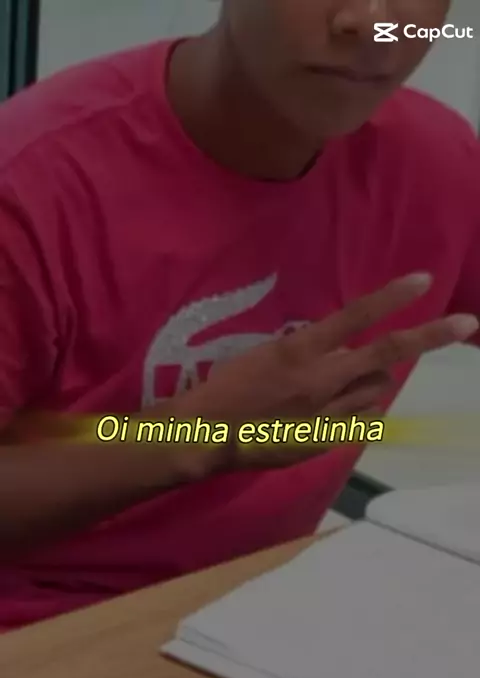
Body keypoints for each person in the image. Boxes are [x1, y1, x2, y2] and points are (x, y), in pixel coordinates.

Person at [0, 0, 479, 630]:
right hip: (37, 633)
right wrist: (194, 437)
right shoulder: (31, 182)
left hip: (249, 612)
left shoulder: (434, 158)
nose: (370, 22)